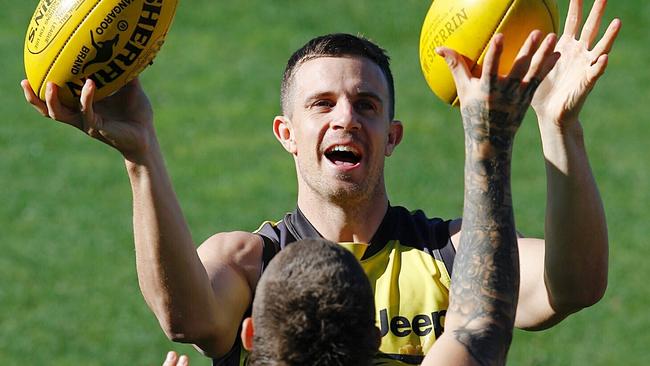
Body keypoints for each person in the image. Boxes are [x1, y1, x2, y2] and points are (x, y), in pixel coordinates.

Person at [21, 0, 620, 365]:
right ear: (286, 132)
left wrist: (559, 125)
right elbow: (185, 318)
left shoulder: (449, 254)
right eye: (323, 103)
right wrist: (141, 158)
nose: (345, 117)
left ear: (392, 135)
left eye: (366, 104)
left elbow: (576, 284)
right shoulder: (249, 262)